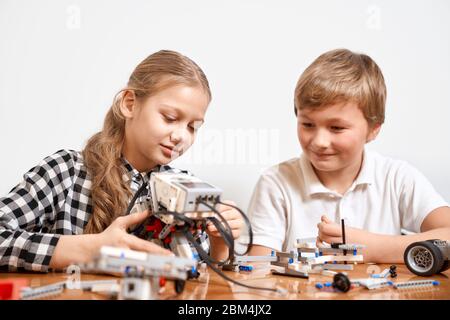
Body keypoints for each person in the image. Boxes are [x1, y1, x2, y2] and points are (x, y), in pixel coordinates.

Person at [0, 50, 243, 272]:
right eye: (170, 118)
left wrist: (219, 242)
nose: (181, 136)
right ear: (130, 104)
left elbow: (201, 279)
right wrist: (86, 249)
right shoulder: (67, 171)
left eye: (193, 127)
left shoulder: (185, 189)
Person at [244, 48, 450, 263]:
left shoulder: (397, 178)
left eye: (336, 128)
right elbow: (259, 270)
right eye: (307, 124)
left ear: (373, 129)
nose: (319, 141)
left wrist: (374, 247)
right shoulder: (276, 182)